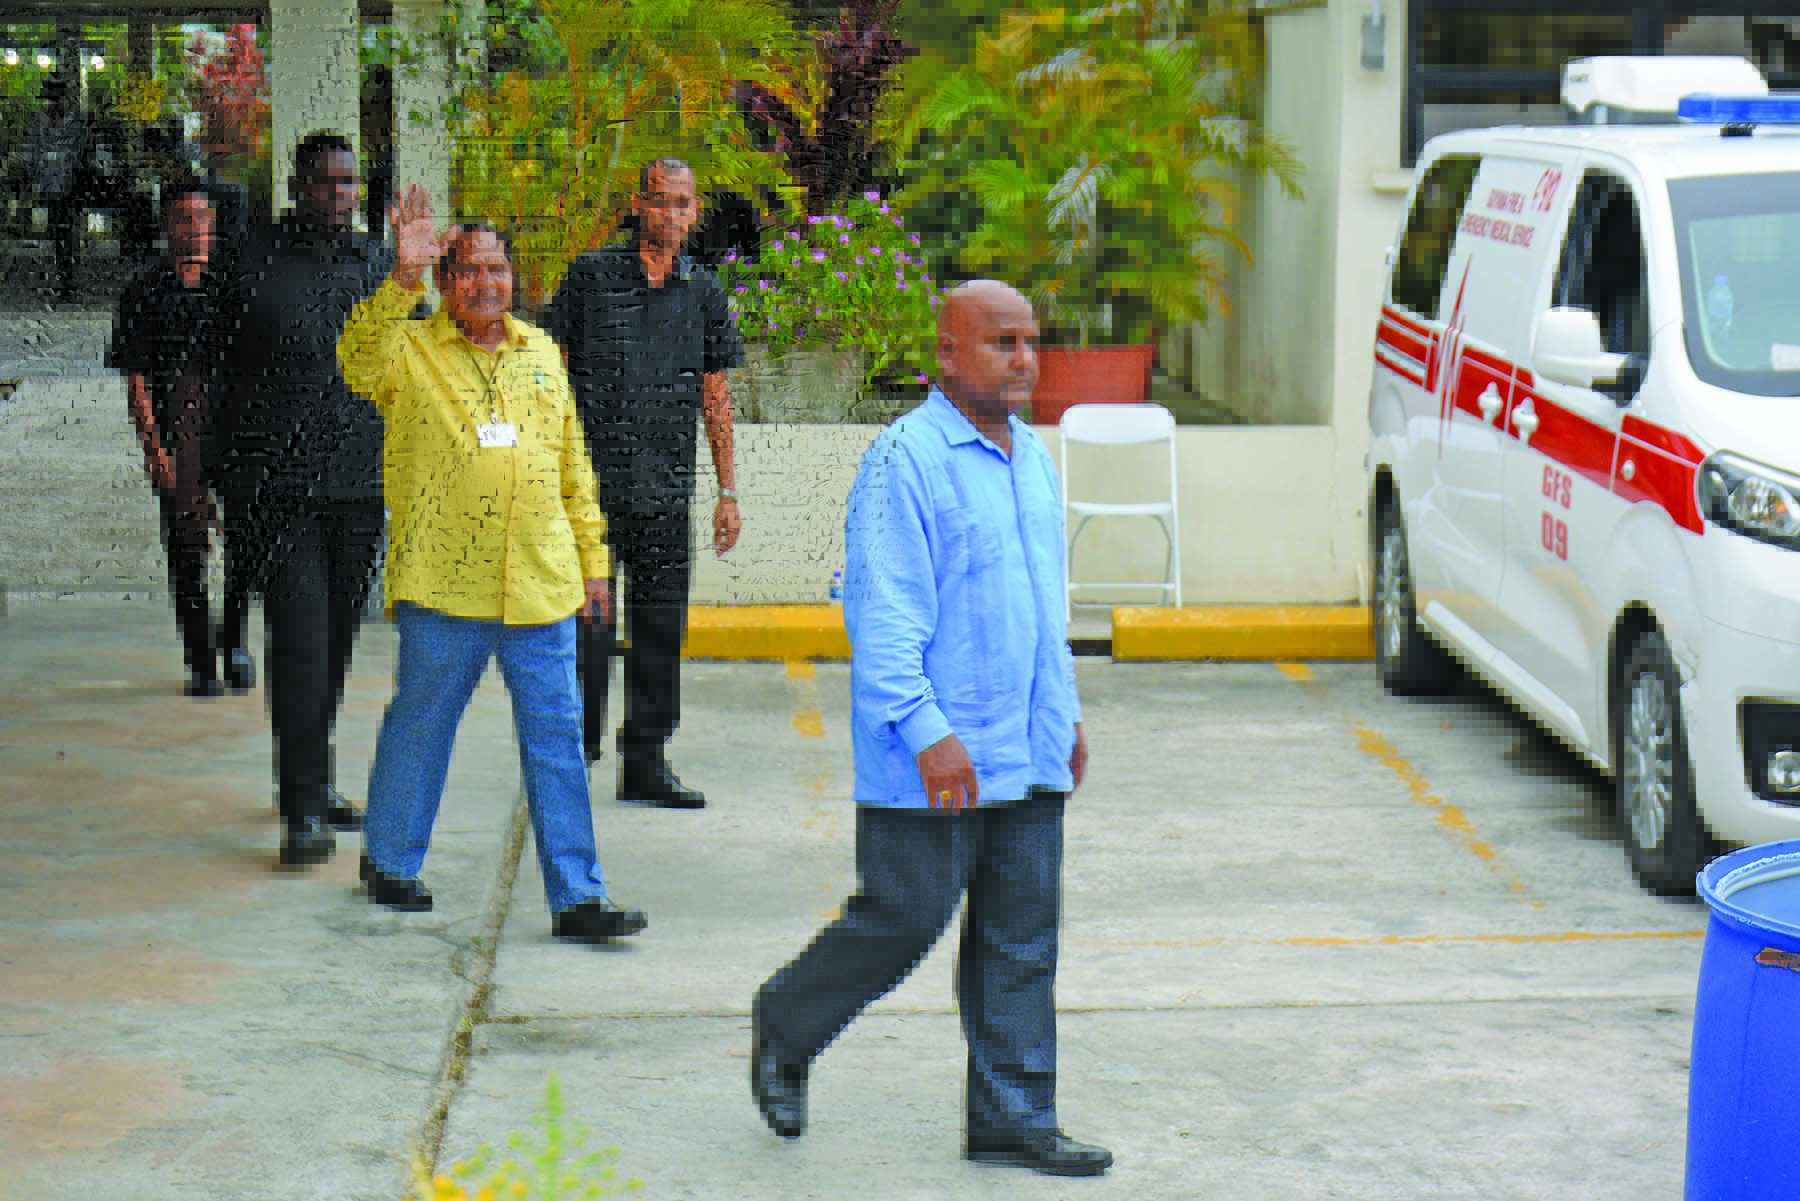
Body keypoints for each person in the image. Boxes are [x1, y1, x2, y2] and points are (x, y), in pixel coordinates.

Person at [749, 281, 1112, 1178]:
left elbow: (1045, 604)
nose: (1023, 360)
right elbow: (882, 614)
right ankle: (786, 1022)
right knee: (902, 918)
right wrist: (925, 730)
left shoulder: (1031, 458)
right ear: (947, 353)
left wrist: (1063, 711)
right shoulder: (903, 461)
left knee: (1020, 938)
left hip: (1026, 749)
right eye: (1001, 342)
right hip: (935, 756)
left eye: (1030, 342)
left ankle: (1012, 1117)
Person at [336, 187, 648, 943]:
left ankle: (578, 897)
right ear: (446, 282)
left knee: (558, 740)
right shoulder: (409, 351)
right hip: (445, 586)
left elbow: (573, 466)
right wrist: (401, 278)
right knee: (421, 724)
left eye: (497, 268)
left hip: (541, 583)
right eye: (469, 270)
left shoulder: (540, 353)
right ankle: (390, 859)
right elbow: (354, 360)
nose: (486, 282)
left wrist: (594, 563)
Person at [546, 157, 745, 808]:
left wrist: (728, 491)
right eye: (659, 200)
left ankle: (646, 761)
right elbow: (553, 376)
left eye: (682, 203)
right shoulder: (592, 277)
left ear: (694, 212)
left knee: (660, 630)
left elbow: (715, 394)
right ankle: (573, 756)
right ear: (638, 204)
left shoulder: (704, 291)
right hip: (591, 493)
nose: (670, 213)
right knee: (588, 631)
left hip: (666, 489)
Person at [210, 132, 385, 867]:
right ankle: (303, 807)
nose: (337, 196)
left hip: (360, 483)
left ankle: (315, 774)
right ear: (295, 187)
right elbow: (213, 373)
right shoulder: (249, 261)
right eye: (323, 182)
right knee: (300, 642)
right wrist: (208, 478)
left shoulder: (377, 264)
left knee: (337, 640)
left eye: (348, 183)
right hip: (277, 489)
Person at [108, 182, 233, 696]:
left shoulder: (234, 287)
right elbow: (136, 377)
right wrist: (154, 450)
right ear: (166, 226)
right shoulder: (143, 291)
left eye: (203, 217)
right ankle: (202, 661)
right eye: (183, 217)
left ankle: (235, 644)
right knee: (186, 554)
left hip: (232, 437)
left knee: (246, 549)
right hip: (176, 439)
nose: (194, 228)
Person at [19, 81, 88, 302]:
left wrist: (50, 157)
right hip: (47, 185)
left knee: (66, 232)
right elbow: (29, 151)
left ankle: (65, 279)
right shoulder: (38, 123)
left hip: (69, 186)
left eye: (56, 100)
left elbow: (77, 152)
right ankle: (55, 278)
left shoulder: (75, 122)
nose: (53, 104)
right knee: (51, 232)